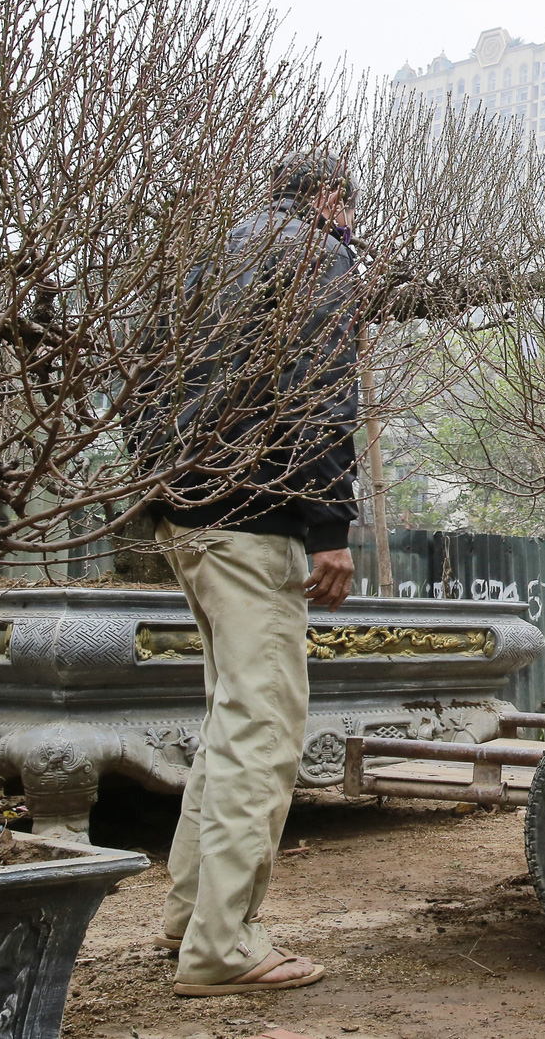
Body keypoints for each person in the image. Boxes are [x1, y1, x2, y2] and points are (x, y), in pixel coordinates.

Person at [145, 158, 363, 996]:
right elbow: (320, 390)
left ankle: (187, 920)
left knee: (228, 718)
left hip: (183, 513)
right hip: (253, 516)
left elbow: (149, 381)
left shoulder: (210, 255)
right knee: (265, 730)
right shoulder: (317, 254)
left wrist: (160, 490)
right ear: (330, 198)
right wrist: (329, 527)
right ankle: (223, 946)